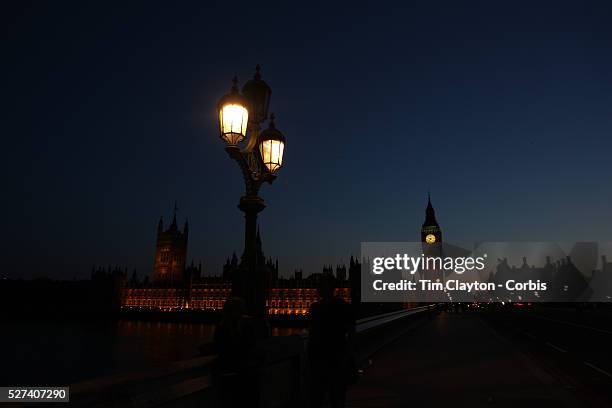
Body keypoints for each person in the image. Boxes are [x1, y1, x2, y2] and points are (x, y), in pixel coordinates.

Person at [307, 276, 355, 408]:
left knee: (329, 396)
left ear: (330, 288)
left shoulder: (317, 308)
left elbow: (351, 331)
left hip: (331, 358)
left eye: (321, 285)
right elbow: (351, 331)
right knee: (331, 396)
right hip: (328, 358)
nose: (318, 289)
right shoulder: (317, 307)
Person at [212, 297, 261, 408]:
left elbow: (220, 348)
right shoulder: (246, 326)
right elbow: (251, 346)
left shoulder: (222, 327)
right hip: (243, 372)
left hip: (230, 372)